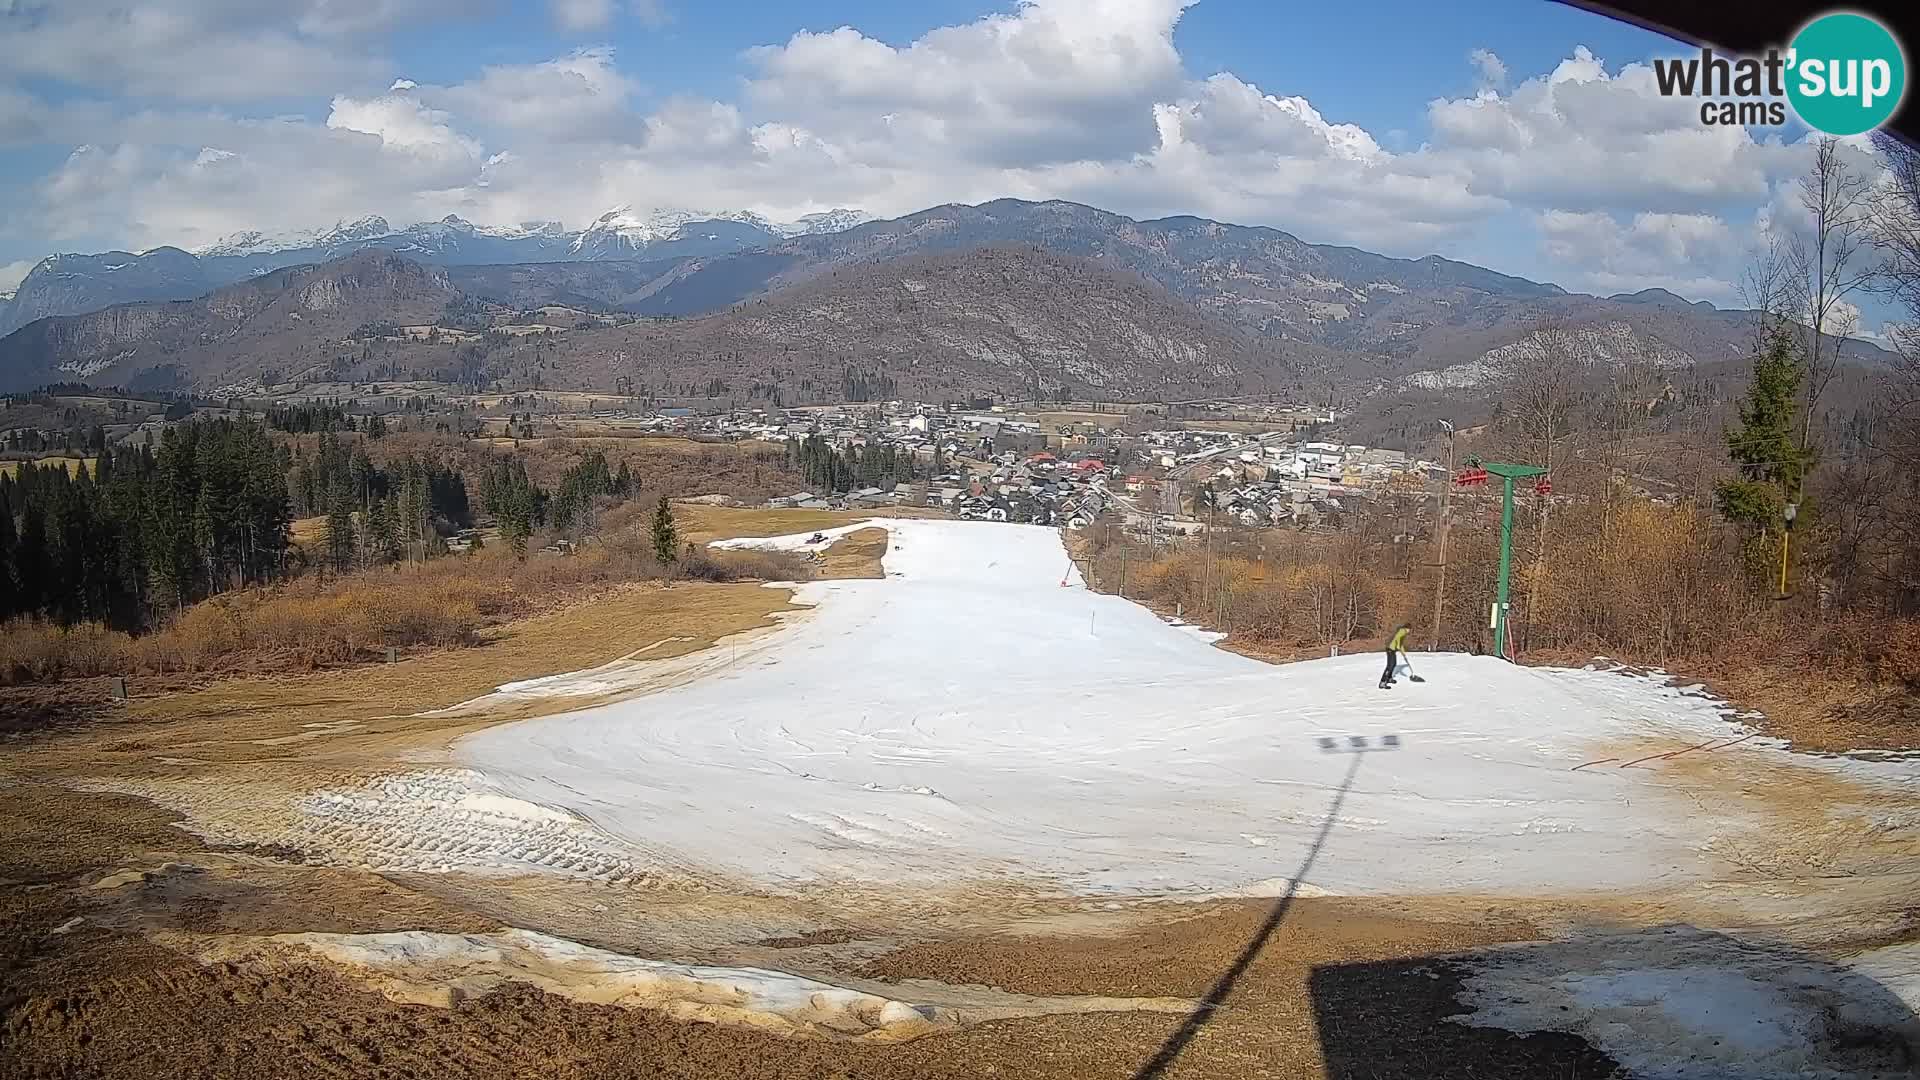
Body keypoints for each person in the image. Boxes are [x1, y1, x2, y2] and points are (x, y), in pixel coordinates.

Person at [1380, 623, 1411, 689]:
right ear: (1407, 628)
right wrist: (1398, 646)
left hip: (1392, 649)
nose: (1409, 631)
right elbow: (1397, 639)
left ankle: (1389, 678)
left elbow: (1401, 644)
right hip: (1390, 649)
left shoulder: (1403, 633)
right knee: (1390, 666)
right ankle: (1382, 682)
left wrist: (1403, 653)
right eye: (1409, 629)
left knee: (1394, 664)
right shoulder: (1402, 631)